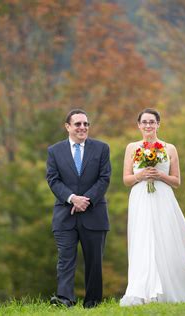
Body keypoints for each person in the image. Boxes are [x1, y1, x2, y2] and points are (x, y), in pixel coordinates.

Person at [120, 108, 185, 306]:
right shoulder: (132, 147)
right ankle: (143, 290)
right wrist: (141, 176)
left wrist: (159, 175)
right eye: (144, 122)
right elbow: (126, 179)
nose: (148, 125)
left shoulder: (169, 148)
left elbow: (177, 181)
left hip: (163, 197)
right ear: (139, 125)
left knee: (167, 238)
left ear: (158, 124)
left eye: (152, 122)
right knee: (143, 240)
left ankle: (174, 287)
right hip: (140, 198)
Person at [46, 109, 111, 309]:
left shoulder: (101, 148)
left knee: (94, 262)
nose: (83, 127)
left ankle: (92, 302)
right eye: (78, 124)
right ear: (68, 127)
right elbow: (53, 180)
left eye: (86, 124)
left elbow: (104, 178)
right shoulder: (54, 151)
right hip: (65, 216)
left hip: (94, 214)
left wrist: (86, 200)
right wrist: (73, 198)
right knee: (65, 259)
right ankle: (65, 299)